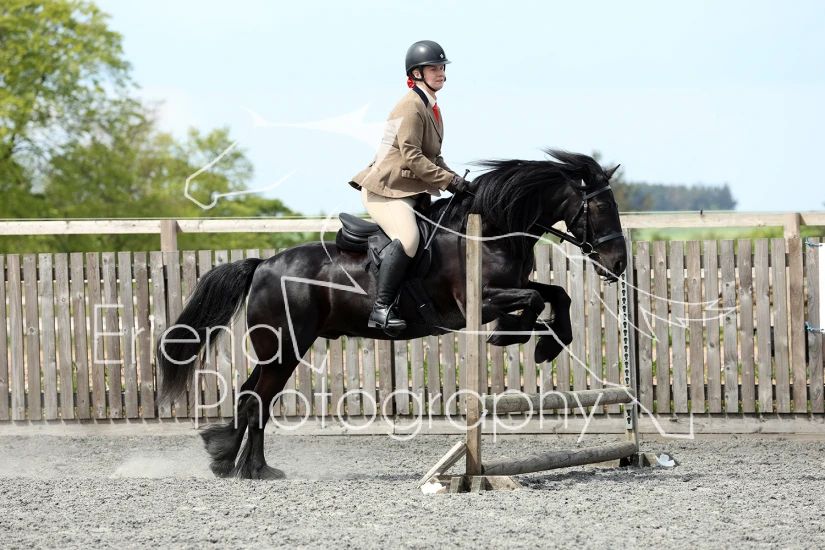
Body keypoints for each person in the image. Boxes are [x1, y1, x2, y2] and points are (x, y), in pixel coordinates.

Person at [348, 40, 469, 336]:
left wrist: (462, 184)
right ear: (416, 73)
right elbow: (412, 156)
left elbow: (434, 158)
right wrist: (449, 181)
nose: (441, 73)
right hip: (386, 189)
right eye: (434, 68)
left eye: (442, 68)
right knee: (409, 239)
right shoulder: (411, 105)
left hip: (409, 190)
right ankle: (381, 308)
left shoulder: (431, 106)